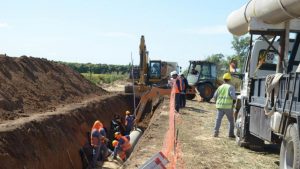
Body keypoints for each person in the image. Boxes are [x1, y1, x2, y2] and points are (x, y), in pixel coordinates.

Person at [213, 73, 236, 138]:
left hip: (219, 106)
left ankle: (215, 133)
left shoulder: (220, 87)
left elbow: (214, 96)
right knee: (231, 121)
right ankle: (230, 134)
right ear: (229, 80)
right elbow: (233, 97)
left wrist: (217, 102)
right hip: (228, 107)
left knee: (218, 120)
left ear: (223, 79)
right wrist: (237, 97)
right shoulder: (231, 87)